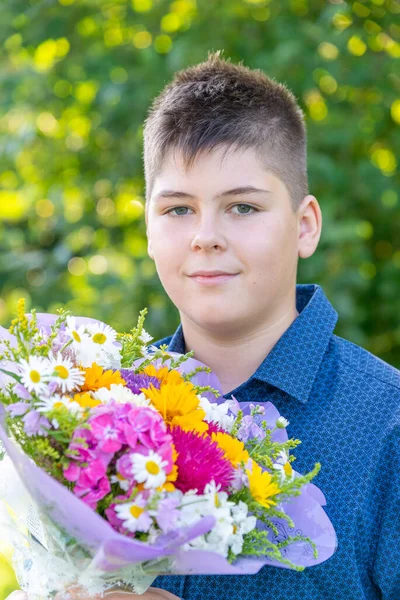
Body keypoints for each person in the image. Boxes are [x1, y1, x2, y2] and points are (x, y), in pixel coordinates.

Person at [7, 51, 399, 600]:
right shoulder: (97, 408)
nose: (205, 236)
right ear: (147, 228)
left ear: (305, 225)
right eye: (178, 210)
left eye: (242, 207)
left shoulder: (388, 426)